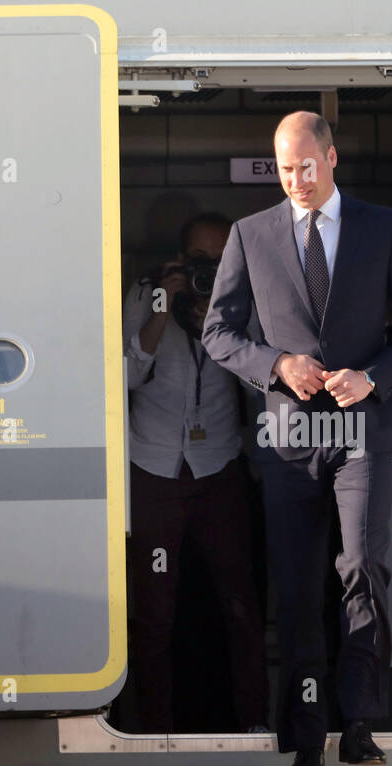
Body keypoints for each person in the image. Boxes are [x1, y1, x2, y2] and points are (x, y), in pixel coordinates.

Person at [201, 111, 392, 766]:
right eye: (285, 170)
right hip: (289, 438)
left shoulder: (384, 228)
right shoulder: (250, 235)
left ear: (332, 159)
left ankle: (359, 719)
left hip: (364, 430)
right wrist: (277, 363)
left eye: (308, 167)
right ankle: (307, 737)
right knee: (299, 586)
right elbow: (218, 334)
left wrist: (374, 377)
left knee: (362, 566)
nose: (298, 181)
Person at [122, 213, 270, 734]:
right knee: (154, 610)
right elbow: (127, 375)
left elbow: (262, 387)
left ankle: (254, 722)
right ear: (180, 258)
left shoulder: (246, 298)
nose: (209, 269)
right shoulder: (148, 293)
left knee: (240, 602)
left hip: (219, 469)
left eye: (219, 259)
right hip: (154, 466)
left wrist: (221, 326)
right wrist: (164, 306)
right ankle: (152, 727)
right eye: (199, 260)